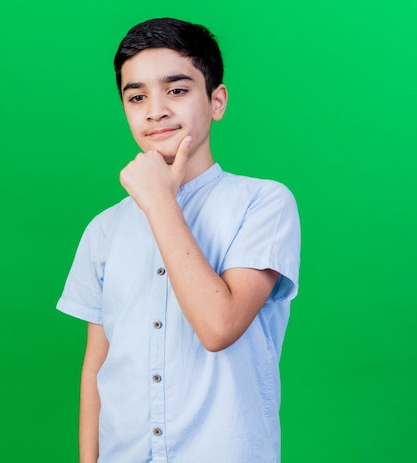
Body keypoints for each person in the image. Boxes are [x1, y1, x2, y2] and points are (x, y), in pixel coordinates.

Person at [57, 18, 300, 463]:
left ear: (217, 101)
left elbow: (218, 326)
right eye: (136, 97)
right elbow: (97, 367)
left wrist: (159, 202)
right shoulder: (104, 229)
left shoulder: (263, 203)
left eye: (177, 90)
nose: (155, 111)